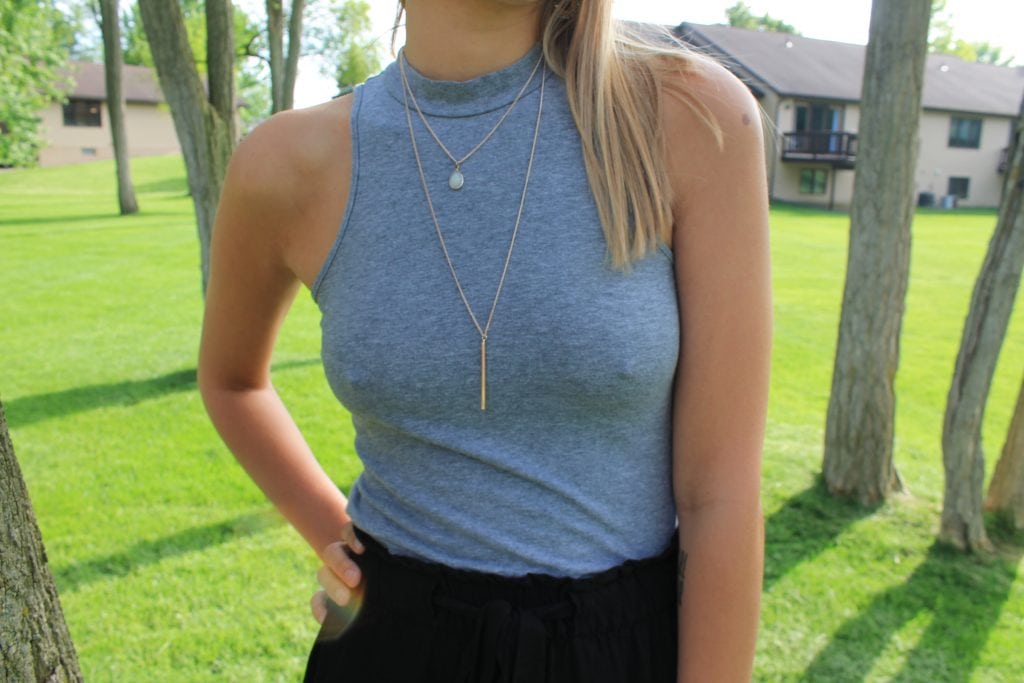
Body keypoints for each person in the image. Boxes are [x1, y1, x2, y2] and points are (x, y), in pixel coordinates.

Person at [197, 0, 770, 680]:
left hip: (617, 649)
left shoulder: (689, 114)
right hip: (390, 643)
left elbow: (720, 493)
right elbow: (232, 379)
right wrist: (332, 532)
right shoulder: (287, 162)